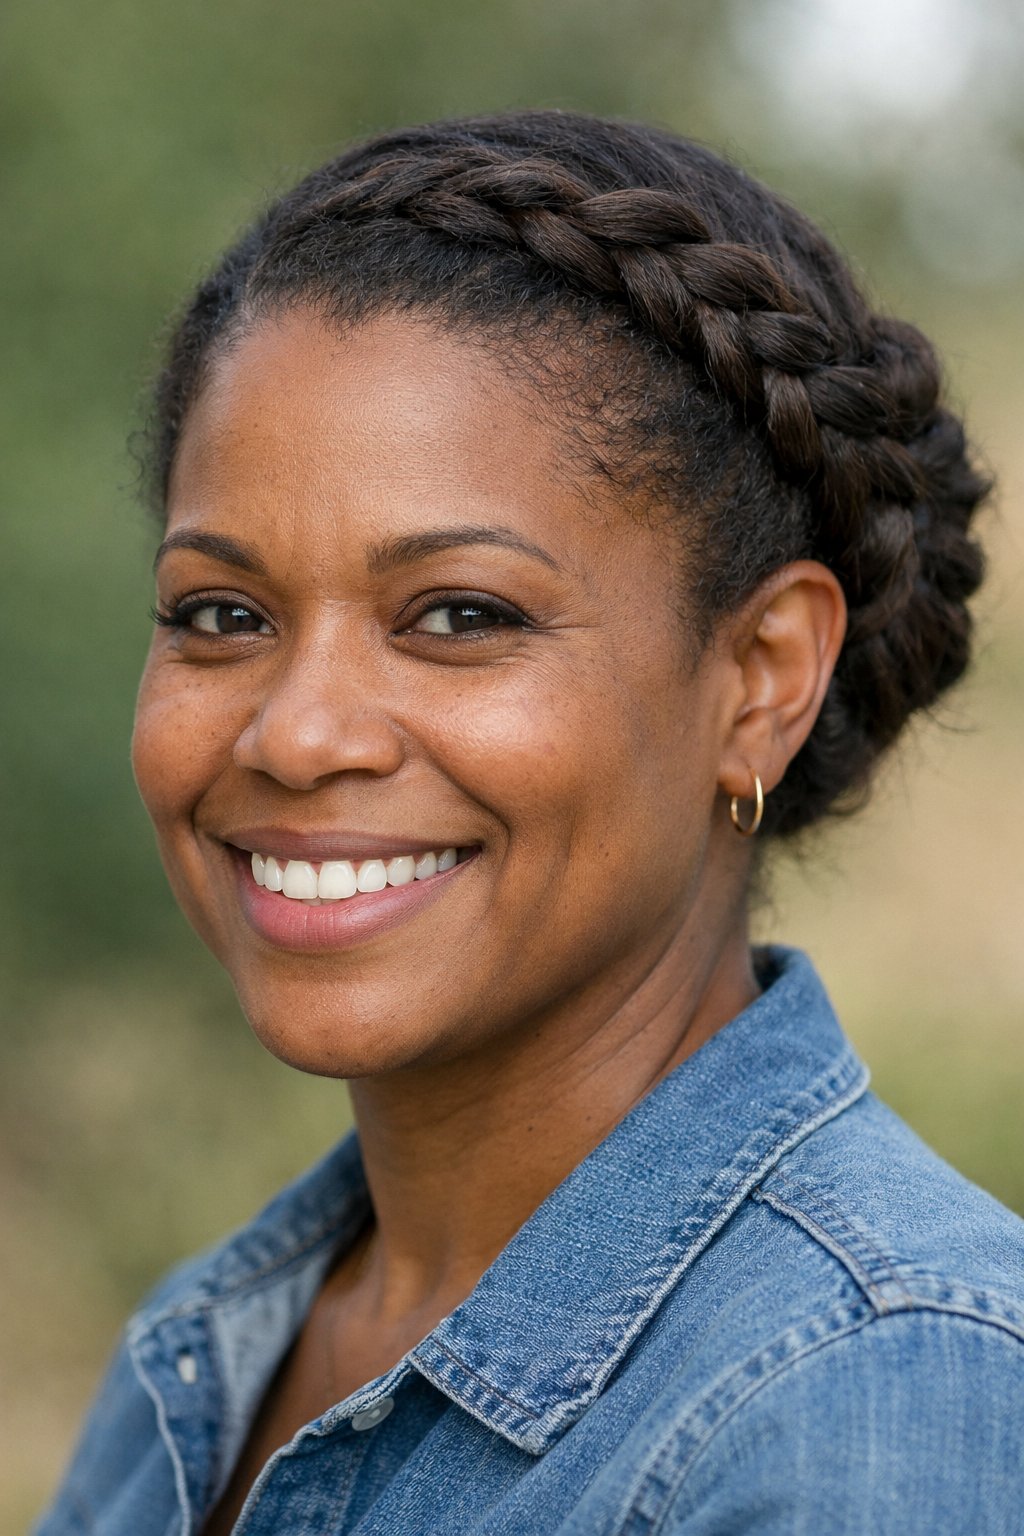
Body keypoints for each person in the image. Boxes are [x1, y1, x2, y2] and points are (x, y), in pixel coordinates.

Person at [36, 110, 1023, 1536]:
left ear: (759, 680)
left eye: (459, 616)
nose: (298, 732)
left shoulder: (881, 1396)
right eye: (223, 615)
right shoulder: (203, 1357)